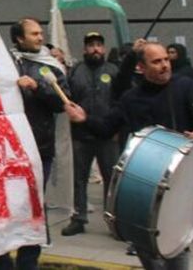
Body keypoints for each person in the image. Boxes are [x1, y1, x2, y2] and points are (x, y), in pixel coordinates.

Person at [65, 41, 193, 270]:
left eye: (166, 59)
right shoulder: (131, 98)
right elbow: (107, 127)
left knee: (176, 244)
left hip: (180, 180)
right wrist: (84, 119)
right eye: (157, 61)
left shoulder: (186, 86)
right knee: (146, 246)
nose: (165, 65)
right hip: (143, 181)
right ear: (141, 68)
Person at [0, 17, 66, 270]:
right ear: (19, 39)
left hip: (39, 150)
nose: (40, 37)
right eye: (34, 34)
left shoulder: (51, 67)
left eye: (40, 33)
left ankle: (28, 263)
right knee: (1, 208)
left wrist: (38, 88)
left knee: (32, 208)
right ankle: (1, 261)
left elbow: (61, 103)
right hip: (6, 152)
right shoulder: (3, 64)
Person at [61, 31, 118, 237]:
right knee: (79, 179)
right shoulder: (76, 71)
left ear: (103, 48)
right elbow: (67, 98)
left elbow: (120, 102)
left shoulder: (113, 70)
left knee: (111, 180)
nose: (96, 49)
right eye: (91, 45)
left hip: (107, 136)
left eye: (99, 45)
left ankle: (113, 220)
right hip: (81, 136)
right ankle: (78, 218)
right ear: (84, 49)